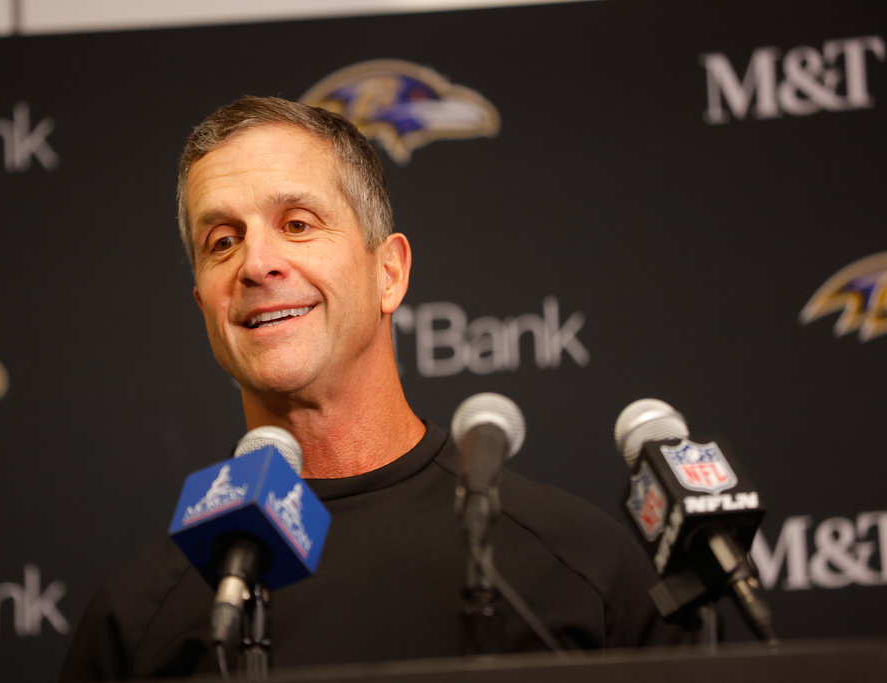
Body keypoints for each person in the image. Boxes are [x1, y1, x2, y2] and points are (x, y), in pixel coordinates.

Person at [59, 96, 689, 681]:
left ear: (389, 273)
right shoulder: (135, 621)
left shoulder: (583, 565)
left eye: (297, 224)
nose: (255, 264)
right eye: (222, 242)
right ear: (205, 305)